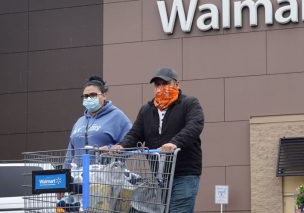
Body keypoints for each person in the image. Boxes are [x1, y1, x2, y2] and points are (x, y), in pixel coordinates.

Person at [109, 67, 204, 213]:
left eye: (165, 83)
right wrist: (121, 146)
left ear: (177, 85)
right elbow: (135, 134)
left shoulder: (189, 104)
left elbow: (194, 125)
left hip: (184, 173)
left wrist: (174, 143)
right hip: (160, 177)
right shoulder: (147, 110)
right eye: (157, 85)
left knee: (179, 210)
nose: (161, 88)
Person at [64, 76, 132, 166]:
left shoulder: (117, 116)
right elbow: (70, 154)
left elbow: (131, 143)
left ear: (104, 95)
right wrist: (66, 174)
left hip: (108, 175)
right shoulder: (79, 121)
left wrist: (112, 150)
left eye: (93, 95)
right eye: (86, 96)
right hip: (80, 177)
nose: (89, 99)